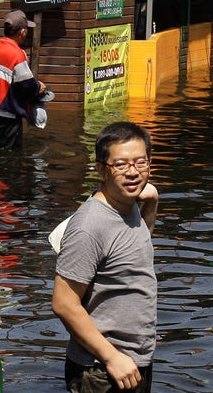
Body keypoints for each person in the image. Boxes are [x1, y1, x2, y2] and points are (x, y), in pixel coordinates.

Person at [53, 122, 160, 392]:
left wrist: (152, 204)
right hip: (101, 369)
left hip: (134, 361)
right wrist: (112, 357)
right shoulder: (90, 227)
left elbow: (135, 249)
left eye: (140, 163)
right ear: (102, 170)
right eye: (121, 165)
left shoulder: (129, 203)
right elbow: (64, 304)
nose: (133, 173)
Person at [0, 10, 45, 149]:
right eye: (27, 29)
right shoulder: (17, 55)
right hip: (8, 118)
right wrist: (39, 87)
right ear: (22, 32)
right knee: (10, 160)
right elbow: (27, 86)